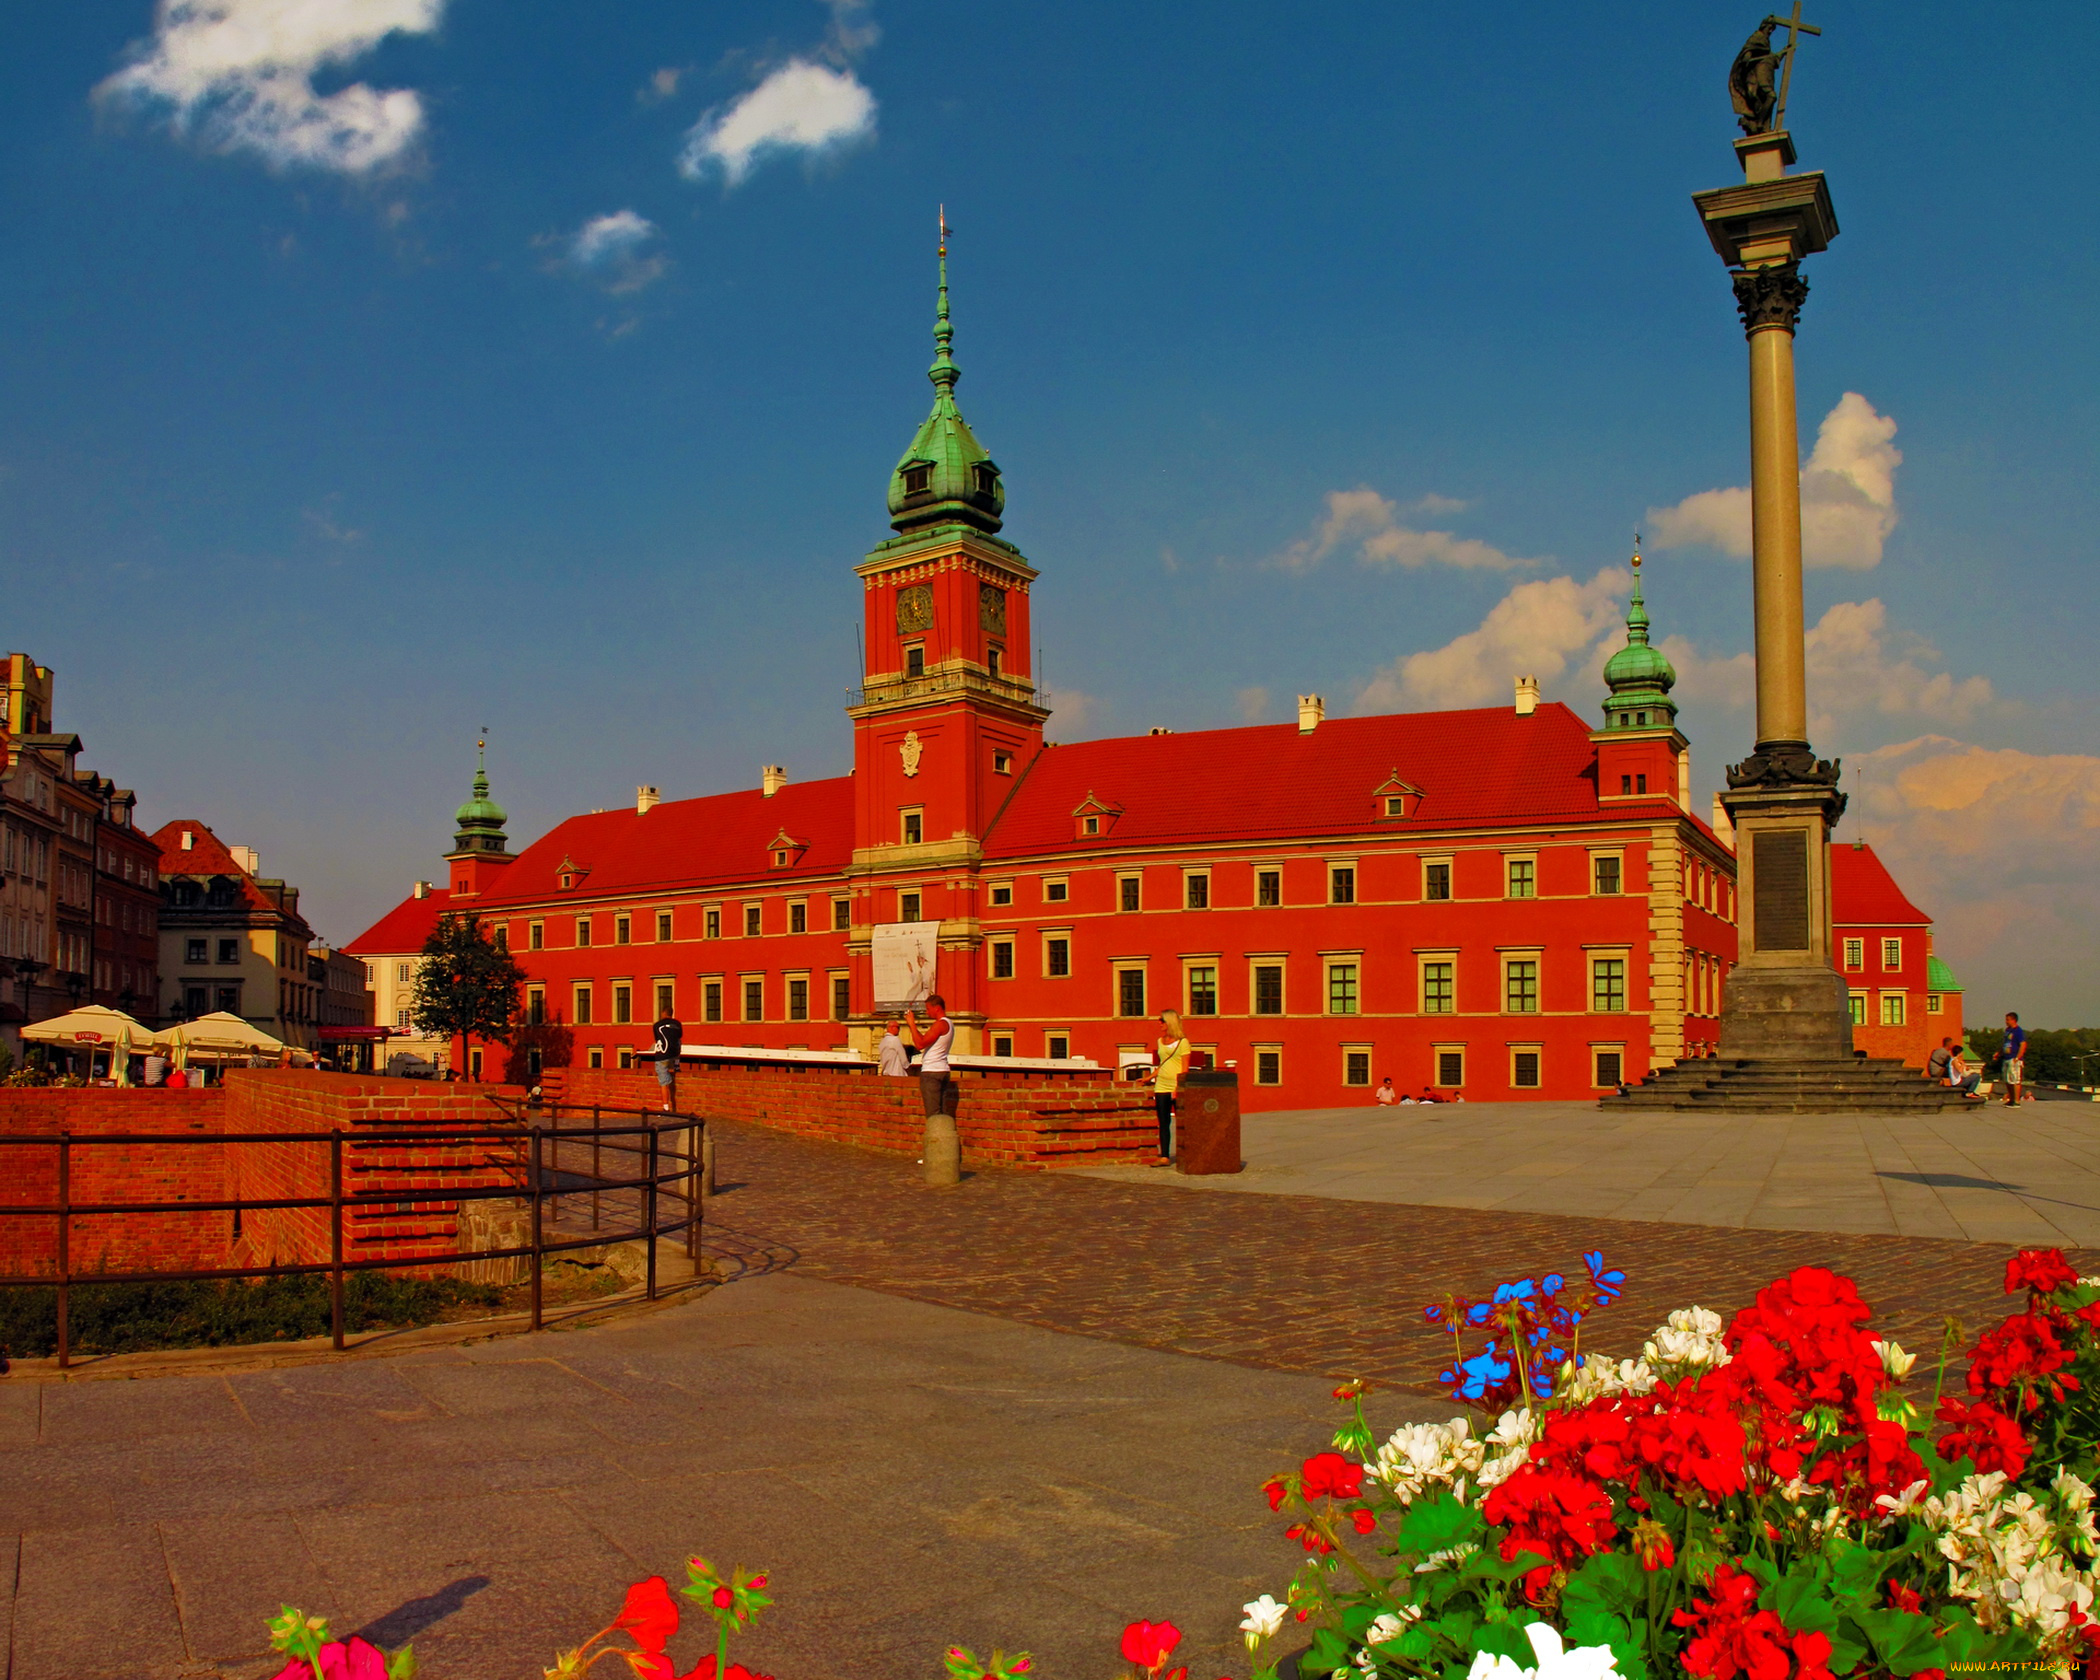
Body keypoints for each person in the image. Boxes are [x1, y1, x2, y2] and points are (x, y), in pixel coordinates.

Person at [905, 994, 959, 1180]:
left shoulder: (941, 1024)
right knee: (943, 1115)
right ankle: (947, 1153)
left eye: (928, 1009)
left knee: (933, 1115)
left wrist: (911, 1024)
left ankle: (934, 1154)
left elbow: (920, 1044)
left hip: (932, 1073)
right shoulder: (950, 1024)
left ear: (936, 1007)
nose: (927, 1012)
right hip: (943, 1070)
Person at [1150, 1010, 1191, 1167]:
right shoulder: (1160, 1041)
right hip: (1161, 1086)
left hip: (1175, 1086)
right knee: (1163, 1122)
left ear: (1169, 1022)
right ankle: (1165, 1156)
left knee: (1183, 1122)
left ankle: (1186, 1154)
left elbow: (1184, 1068)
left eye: (1162, 1020)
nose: (1159, 1023)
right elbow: (1163, 1064)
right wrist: (1149, 1077)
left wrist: (1178, 1088)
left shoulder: (1183, 1042)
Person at [648, 1005, 683, 1111]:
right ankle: (676, 1067)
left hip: (662, 1055)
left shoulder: (657, 1025)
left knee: (663, 1082)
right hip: (674, 1054)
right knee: (678, 1045)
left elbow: (657, 1040)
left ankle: (665, 1107)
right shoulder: (677, 1024)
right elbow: (679, 1037)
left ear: (663, 1013)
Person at [2001, 1012, 2028, 1108]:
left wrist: (2018, 1057)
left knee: (2015, 1080)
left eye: (2008, 1019)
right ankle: (2011, 1099)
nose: (2006, 1021)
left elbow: (2023, 1044)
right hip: (2006, 1057)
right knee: (2008, 1080)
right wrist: (1999, 1053)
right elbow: (2005, 1043)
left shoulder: (2018, 1031)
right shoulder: (2008, 1030)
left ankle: (2016, 1100)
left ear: (2013, 1020)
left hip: (2014, 1058)